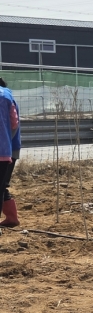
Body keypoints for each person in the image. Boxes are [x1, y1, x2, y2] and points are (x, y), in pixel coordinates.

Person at [0, 78, 20, 229]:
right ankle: (11, 216)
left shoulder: (7, 99)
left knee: (2, 184)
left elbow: (13, 125)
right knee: (2, 184)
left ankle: (12, 217)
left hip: (9, 147)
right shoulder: (8, 98)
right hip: (10, 147)